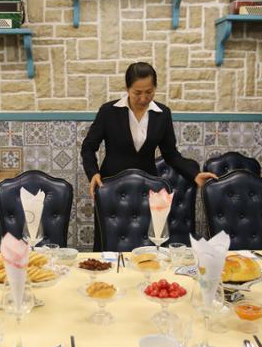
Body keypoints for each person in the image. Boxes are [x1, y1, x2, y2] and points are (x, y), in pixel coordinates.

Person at [80, 62, 218, 248]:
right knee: (107, 243)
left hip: (148, 189)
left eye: (149, 92)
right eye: (137, 93)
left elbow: (171, 154)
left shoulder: (162, 114)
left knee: (147, 243)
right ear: (127, 88)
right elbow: (88, 147)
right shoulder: (109, 111)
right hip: (111, 187)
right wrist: (93, 173)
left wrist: (194, 174)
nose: (144, 98)